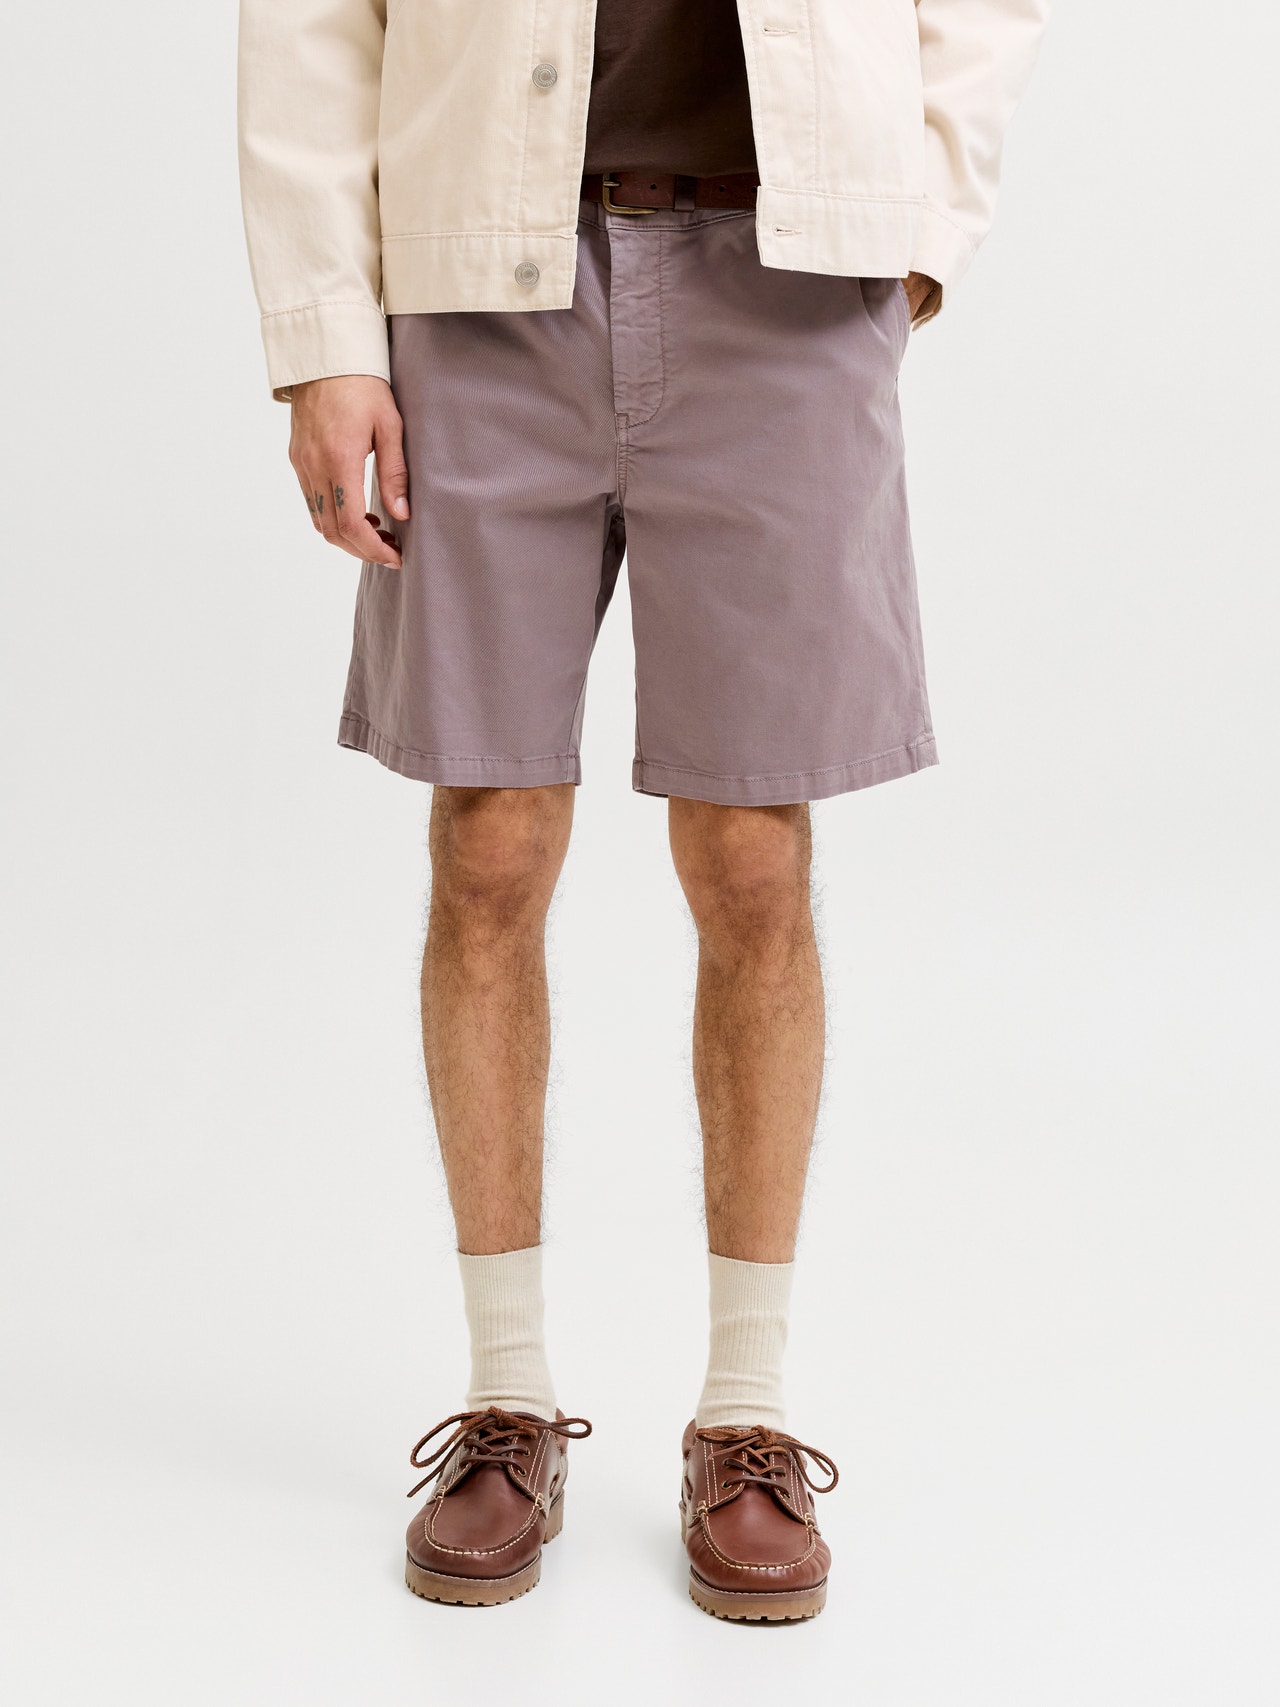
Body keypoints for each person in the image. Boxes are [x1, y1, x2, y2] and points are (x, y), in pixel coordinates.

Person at [237, 0, 1048, 1623]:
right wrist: (326, 335)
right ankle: (508, 1399)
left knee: (752, 855)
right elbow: (315, 16)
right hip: (482, 282)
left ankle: (747, 1415)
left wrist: (920, 231)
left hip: (788, 285)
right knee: (489, 842)